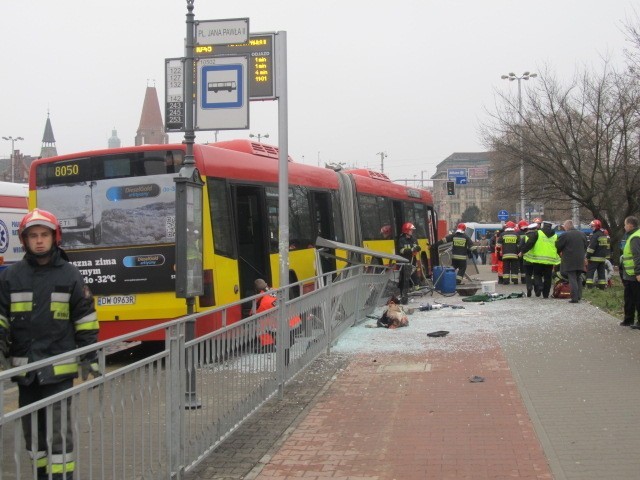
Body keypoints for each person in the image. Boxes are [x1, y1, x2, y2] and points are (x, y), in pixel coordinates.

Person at [0, 209, 100, 480]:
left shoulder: (70, 275)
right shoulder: (10, 277)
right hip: (26, 372)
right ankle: (41, 473)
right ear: (25, 240)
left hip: (58, 370)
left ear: (55, 237)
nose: (39, 241)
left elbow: (85, 320)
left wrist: (90, 356)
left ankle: (62, 477)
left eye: (44, 235)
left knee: (59, 431)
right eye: (33, 236)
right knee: (32, 432)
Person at [521, 221, 560, 298]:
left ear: (542, 226)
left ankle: (539, 286)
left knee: (537, 275)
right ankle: (546, 294)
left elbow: (530, 243)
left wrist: (523, 251)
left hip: (538, 259)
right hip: (550, 260)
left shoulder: (538, 233)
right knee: (548, 277)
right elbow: (558, 247)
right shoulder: (555, 235)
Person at [555, 219, 588, 303]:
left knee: (572, 278)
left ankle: (574, 298)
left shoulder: (565, 235)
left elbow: (558, 246)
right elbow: (585, 246)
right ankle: (579, 296)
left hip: (569, 260)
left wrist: (559, 253)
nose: (564, 228)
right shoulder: (582, 234)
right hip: (580, 259)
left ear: (567, 226)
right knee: (578, 278)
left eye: (564, 226)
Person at [620, 216, 640, 327]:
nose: (624, 227)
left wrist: (638, 273)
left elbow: (637, 256)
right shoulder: (632, 235)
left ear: (630, 225)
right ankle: (628, 319)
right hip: (629, 273)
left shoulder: (635, 238)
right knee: (629, 297)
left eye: (625, 224)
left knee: (637, 298)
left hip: (633, 274)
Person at [397, 222, 421, 302]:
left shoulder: (413, 239)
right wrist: (410, 250)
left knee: (414, 275)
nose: (412, 231)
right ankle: (403, 294)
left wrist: (417, 248)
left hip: (412, 261)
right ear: (406, 230)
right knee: (404, 278)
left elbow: (416, 246)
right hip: (404, 262)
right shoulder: (401, 240)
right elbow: (401, 250)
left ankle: (416, 288)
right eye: (411, 230)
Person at [585, 219, 610, 290]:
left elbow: (591, 248)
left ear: (595, 227)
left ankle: (589, 287)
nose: (591, 228)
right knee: (601, 273)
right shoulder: (603, 235)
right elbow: (607, 247)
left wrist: (587, 256)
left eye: (592, 226)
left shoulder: (595, 235)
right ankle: (602, 287)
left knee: (590, 272)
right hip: (602, 259)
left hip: (594, 258)